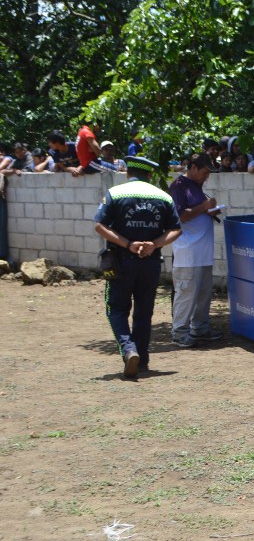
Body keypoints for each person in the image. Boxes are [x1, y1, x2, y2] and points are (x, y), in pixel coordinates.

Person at [93, 156, 181, 378]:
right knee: (144, 313)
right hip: (151, 263)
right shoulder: (163, 196)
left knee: (117, 309)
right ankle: (142, 361)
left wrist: (128, 244)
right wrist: (154, 244)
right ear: (149, 174)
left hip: (122, 261)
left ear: (127, 172)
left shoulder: (116, 193)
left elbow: (99, 225)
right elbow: (176, 229)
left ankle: (129, 349)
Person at [168, 153, 224, 349]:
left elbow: (196, 211)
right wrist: (205, 206)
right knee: (186, 293)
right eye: (204, 172)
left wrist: (209, 210)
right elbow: (182, 215)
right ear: (192, 167)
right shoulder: (179, 186)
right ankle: (179, 332)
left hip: (201, 252)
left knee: (202, 293)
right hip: (188, 252)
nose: (206, 176)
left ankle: (200, 327)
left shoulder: (195, 186)